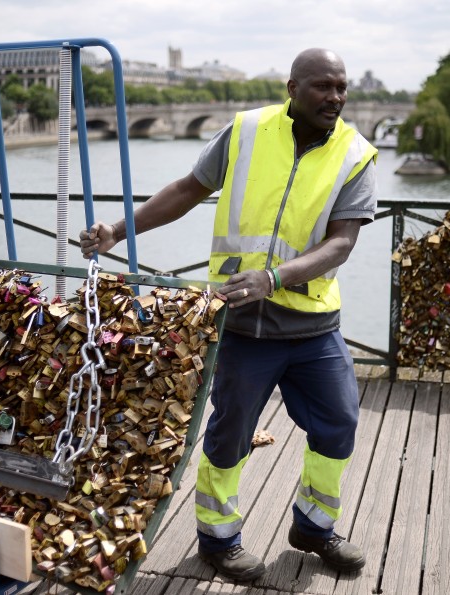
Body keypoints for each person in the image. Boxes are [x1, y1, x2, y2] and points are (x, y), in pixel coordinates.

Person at [80, 48, 378, 581]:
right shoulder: (244, 130)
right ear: (292, 87)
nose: (334, 97)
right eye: (322, 86)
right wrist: (118, 231)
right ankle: (218, 541)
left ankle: (313, 526)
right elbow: (186, 191)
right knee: (229, 433)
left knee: (339, 424)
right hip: (242, 325)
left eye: (342, 87)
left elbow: (342, 243)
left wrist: (274, 278)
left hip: (313, 326)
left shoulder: (357, 153)